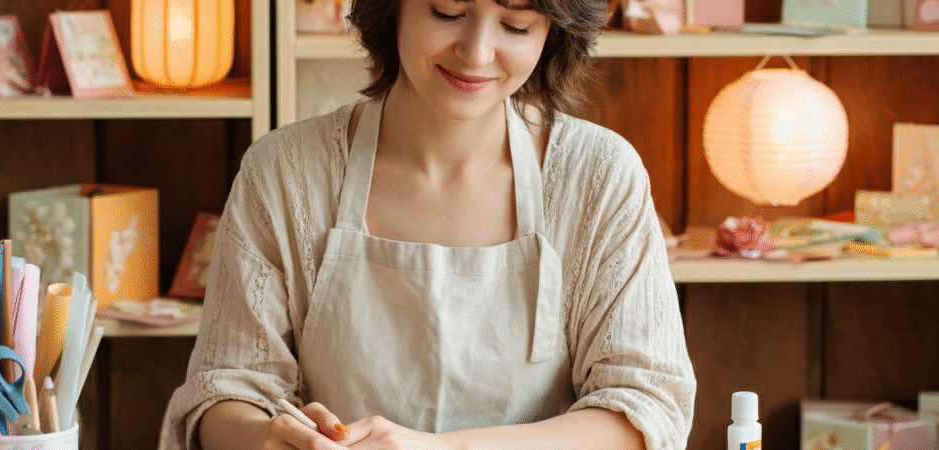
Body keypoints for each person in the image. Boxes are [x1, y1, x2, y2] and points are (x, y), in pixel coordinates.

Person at [162, 0, 696, 448]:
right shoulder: (284, 171)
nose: (477, 52)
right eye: (447, 12)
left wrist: (439, 449)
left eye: (516, 25)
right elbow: (222, 391)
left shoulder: (598, 175)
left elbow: (645, 407)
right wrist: (266, 437)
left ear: (553, 31)